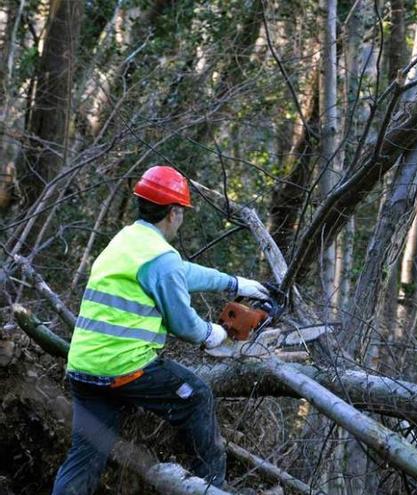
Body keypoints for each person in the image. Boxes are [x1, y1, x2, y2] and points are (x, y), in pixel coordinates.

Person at [52, 165, 269, 494]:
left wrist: (235, 283)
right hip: (125, 369)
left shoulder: (127, 241)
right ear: (174, 212)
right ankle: (210, 488)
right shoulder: (160, 257)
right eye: (181, 211)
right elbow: (184, 324)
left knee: (84, 458)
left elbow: (182, 272)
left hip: (83, 369)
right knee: (196, 397)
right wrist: (215, 334)